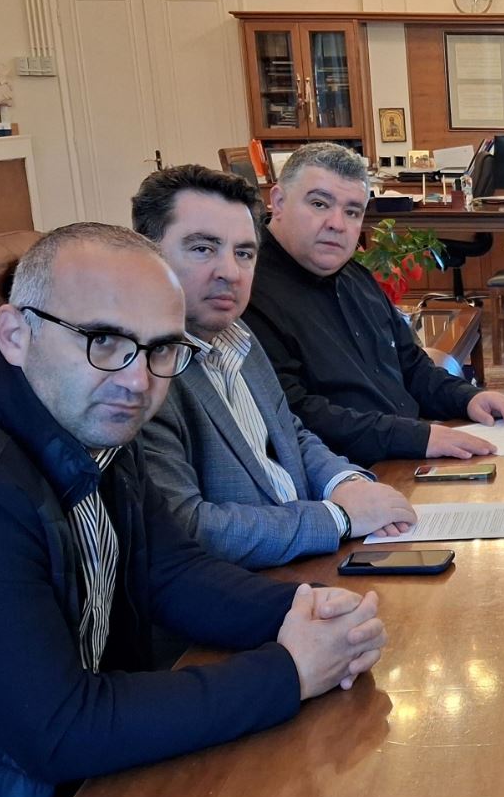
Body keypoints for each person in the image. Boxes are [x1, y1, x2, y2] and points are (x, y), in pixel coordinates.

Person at [0, 223, 387, 797]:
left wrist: (306, 611)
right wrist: (288, 671)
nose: (138, 380)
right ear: (16, 333)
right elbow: (58, 728)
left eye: (160, 350)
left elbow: (169, 570)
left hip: (79, 793)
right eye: (105, 341)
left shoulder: (76, 417)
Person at [132, 164, 417, 569]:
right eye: (203, 249)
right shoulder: (139, 375)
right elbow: (187, 528)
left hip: (314, 557)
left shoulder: (238, 334)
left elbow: (289, 433)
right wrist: (338, 518)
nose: (230, 273)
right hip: (252, 588)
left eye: (244, 253)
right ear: (147, 255)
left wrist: (346, 482)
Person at [241, 141, 504, 467]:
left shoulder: (354, 276)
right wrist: (417, 437)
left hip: (408, 455)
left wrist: (469, 398)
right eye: (320, 204)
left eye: (352, 211)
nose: (337, 223)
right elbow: (291, 415)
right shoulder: (245, 294)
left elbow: (411, 366)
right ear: (278, 202)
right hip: (346, 475)